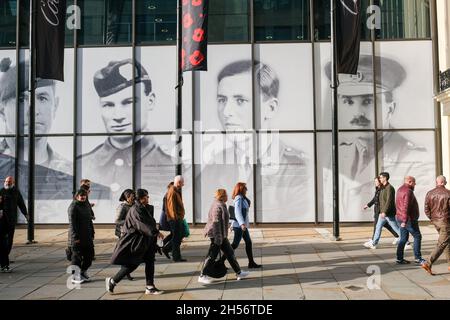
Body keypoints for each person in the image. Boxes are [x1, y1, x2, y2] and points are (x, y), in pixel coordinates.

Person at [198, 60, 312, 222]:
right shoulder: (213, 168)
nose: (227, 112)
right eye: (222, 100)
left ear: (270, 108)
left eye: (240, 101)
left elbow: (298, 224)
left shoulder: (299, 168)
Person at [323, 55, 435, 220]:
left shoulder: (416, 159)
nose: (357, 113)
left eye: (368, 101)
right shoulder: (336, 156)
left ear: (390, 108)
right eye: (348, 101)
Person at [77, 58, 176, 221]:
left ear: (150, 101)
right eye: (108, 105)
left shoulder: (175, 166)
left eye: (129, 102)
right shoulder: (84, 164)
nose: (118, 116)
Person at [0, 58, 73, 222]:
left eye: (42, 98)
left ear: (56, 106)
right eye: (20, 99)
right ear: (2, 109)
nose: (32, 111)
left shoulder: (71, 172)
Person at [107, 189, 164, 295]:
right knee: (132, 264)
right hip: (136, 241)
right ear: (141, 198)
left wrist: (155, 232)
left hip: (146, 240)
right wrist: (155, 233)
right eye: (146, 196)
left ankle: (150, 287)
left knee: (150, 262)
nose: (148, 198)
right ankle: (113, 280)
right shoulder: (135, 210)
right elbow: (141, 225)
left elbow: (149, 222)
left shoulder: (144, 208)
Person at [198, 189, 250, 284]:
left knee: (230, 253)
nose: (228, 197)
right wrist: (218, 239)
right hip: (217, 235)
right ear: (222, 196)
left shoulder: (221, 204)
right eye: (226, 195)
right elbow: (216, 223)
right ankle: (202, 275)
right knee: (212, 255)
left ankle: (239, 273)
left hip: (222, 235)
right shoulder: (217, 206)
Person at [227, 182, 261, 268]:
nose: (246, 190)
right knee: (234, 245)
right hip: (239, 226)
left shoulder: (242, 198)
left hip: (242, 226)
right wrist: (241, 224)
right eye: (245, 188)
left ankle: (251, 262)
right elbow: (237, 212)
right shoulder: (239, 198)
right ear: (241, 189)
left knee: (248, 242)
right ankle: (219, 262)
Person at [420, 176, 450, 275]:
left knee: (446, 242)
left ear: (437, 182)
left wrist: (432, 219)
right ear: (444, 182)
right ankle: (428, 263)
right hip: (445, 222)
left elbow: (426, 209)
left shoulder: (430, 193)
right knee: (442, 243)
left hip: (436, 221)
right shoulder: (448, 193)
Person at [364, 172, 401, 249]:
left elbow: (389, 201)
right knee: (378, 227)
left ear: (385, 178)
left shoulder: (390, 188)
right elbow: (380, 200)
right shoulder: (382, 188)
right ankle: (374, 243)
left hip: (388, 213)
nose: (379, 179)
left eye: (381, 177)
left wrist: (384, 211)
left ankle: (406, 242)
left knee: (396, 228)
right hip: (382, 213)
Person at [395, 176, 426, 265]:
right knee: (417, 236)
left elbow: (398, 204)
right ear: (409, 182)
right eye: (414, 182)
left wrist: (402, 219)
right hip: (408, 219)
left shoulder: (400, 189)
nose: (415, 184)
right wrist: (405, 221)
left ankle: (399, 258)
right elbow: (405, 207)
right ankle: (418, 258)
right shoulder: (408, 191)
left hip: (400, 217)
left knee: (403, 239)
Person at [69, 189, 95, 284]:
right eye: (81, 195)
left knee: (90, 256)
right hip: (77, 237)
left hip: (87, 235)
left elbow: (89, 221)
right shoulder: (73, 207)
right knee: (77, 258)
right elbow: (72, 224)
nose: (83, 197)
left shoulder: (86, 205)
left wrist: (92, 232)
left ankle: (83, 272)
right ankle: (75, 276)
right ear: (76, 196)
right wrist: (75, 238)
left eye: (84, 195)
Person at [0, 176, 28, 264]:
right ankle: (4, 259)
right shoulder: (1, 191)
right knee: (3, 240)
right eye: (7, 181)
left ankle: (5, 256)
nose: (8, 183)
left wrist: (26, 214)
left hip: (11, 220)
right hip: (2, 220)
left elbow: (21, 203)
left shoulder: (16, 192)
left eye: (10, 182)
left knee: (10, 240)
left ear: (13, 183)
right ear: (4, 182)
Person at [114, 189, 135, 281]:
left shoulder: (133, 205)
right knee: (125, 253)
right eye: (132, 196)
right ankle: (125, 272)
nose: (134, 197)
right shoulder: (122, 207)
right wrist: (129, 222)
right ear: (127, 197)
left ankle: (126, 272)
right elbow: (117, 221)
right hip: (124, 233)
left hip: (132, 232)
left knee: (130, 253)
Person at [166, 176, 186, 262]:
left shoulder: (175, 191)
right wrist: (176, 219)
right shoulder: (172, 192)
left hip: (177, 218)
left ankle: (168, 249)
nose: (183, 184)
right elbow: (171, 208)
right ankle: (176, 257)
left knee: (177, 237)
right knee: (176, 239)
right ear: (178, 182)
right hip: (175, 219)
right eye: (182, 183)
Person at [159, 182, 174, 260]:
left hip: (167, 216)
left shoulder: (168, 194)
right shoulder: (168, 195)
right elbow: (166, 208)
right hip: (168, 217)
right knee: (176, 234)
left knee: (173, 233)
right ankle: (166, 248)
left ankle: (164, 244)